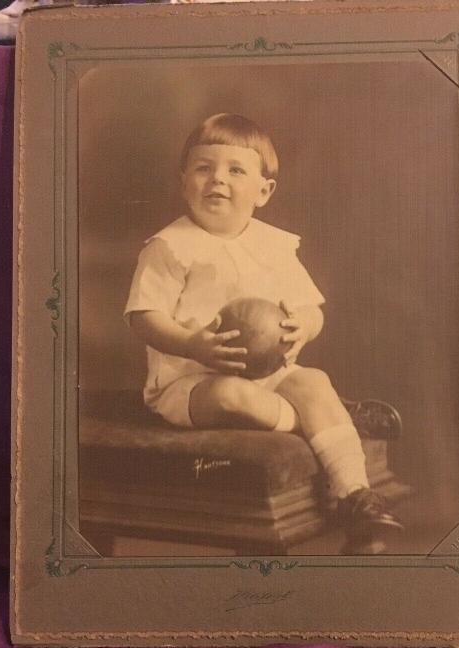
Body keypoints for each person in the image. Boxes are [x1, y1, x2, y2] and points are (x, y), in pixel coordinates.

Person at [124, 112, 403, 554]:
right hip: (192, 382)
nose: (217, 179)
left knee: (314, 381)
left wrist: (303, 327)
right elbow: (144, 316)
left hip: (271, 373)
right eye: (203, 168)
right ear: (183, 181)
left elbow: (311, 307)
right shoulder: (170, 247)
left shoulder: (272, 246)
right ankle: (332, 420)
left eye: (235, 170)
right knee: (235, 397)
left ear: (263, 191)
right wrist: (191, 344)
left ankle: (354, 495)